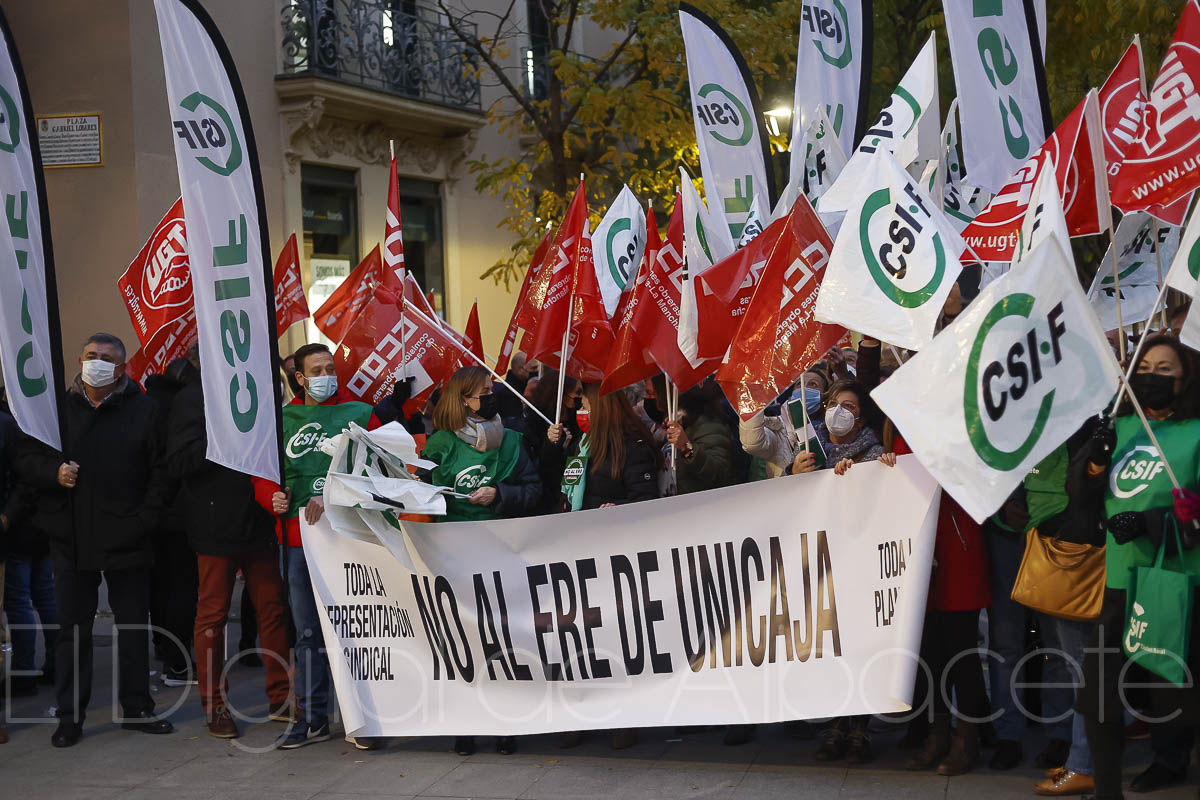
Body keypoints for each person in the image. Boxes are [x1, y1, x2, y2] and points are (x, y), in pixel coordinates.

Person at [16, 334, 174, 747]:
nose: (97, 363)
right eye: (91, 356)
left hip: (128, 534)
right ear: (79, 359)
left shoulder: (145, 410)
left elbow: (162, 472)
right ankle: (70, 717)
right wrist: (54, 472)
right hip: (70, 535)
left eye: (107, 359)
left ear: (122, 369)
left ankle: (137, 706)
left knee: (133, 625)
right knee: (73, 630)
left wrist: (145, 520)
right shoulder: (53, 409)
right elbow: (26, 458)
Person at [1078, 335, 1200, 800]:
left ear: (1185, 376)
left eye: (1165, 368)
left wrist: (1151, 522)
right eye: (1145, 366)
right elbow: (1083, 500)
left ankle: (1172, 762)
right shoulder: (1120, 426)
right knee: (1100, 697)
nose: (1153, 375)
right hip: (1120, 585)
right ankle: (1108, 789)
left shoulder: (1195, 432)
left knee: (1178, 698)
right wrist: (1094, 461)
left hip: (1179, 587)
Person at [256, 343, 380, 750]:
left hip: (352, 537)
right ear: (300, 377)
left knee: (359, 630)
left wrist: (333, 493)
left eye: (331, 367)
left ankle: (364, 718)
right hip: (298, 541)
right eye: (318, 369)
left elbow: (384, 469)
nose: (327, 374)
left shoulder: (361, 414)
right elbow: (263, 470)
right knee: (308, 632)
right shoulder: (282, 419)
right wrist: (269, 496)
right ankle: (312, 717)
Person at [167, 346, 292, 740]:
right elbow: (179, 463)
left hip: (259, 518)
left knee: (272, 610)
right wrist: (222, 438)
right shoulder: (190, 398)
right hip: (214, 522)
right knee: (213, 616)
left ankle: (282, 696)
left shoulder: (260, 393)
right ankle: (214, 705)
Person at [423, 365, 540, 755]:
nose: (490, 397)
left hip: (500, 551)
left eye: (491, 390)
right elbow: (420, 494)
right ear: (462, 400)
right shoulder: (439, 444)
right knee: (463, 641)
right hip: (454, 555)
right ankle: (466, 724)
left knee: (503, 640)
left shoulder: (511, 441)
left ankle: (505, 723)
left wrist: (500, 494)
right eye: (482, 392)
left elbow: (533, 489)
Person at [793, 378, 883, 763]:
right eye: (834, 403)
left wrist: (871, 473)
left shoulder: (873, 452)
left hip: (856, 563)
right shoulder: (809, 450)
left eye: (850, 407)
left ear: (861, 420)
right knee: (832, 647)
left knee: (859, 646)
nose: (839, 411)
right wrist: (793, 476)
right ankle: (835, 726)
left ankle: (859, 729)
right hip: (821, 566)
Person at [1, 380, 57, 701]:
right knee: (45, 597)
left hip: (19, 530)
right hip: (43, 525)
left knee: (19, 601)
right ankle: (56, 663)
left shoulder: (11, 425)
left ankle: (24, 672)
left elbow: (19, 480)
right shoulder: (46, 420)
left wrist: (8, 516)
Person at [144, 358, 198, 688]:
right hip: (181, 510)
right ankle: (178, 661)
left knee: (158, 585)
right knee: (182, 587)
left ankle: (162, 647)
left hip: (150, 511)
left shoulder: (145, 404)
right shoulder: (185, 407)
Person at [666, 379, 741, 494]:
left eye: (652, 394)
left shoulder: (709, 424)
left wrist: (686, 447)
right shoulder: (678, 421)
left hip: (701, 504)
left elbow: (718, 471)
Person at [524, 370, 582, 513]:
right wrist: (553, 444)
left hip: (572, 485)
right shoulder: (536, 419)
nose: (580, 397)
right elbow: (539, 462)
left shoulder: (577, 414)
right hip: (548, 493)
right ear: (561, 392)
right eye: (578, 392)